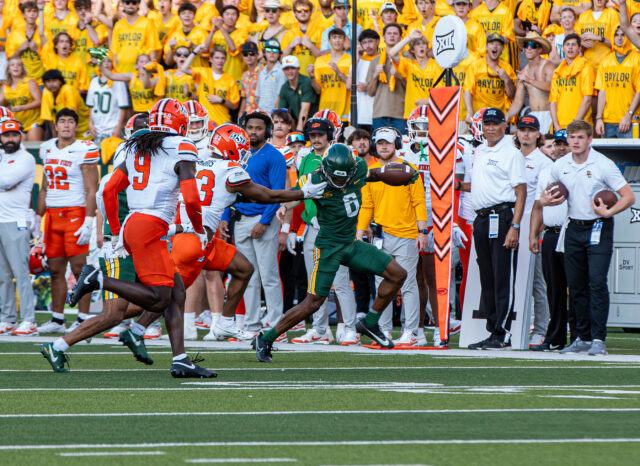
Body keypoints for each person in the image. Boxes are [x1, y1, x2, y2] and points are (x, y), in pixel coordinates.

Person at [65, 98, 214, 378]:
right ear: (178, 121)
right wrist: (196, 226)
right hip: (151, 225)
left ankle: (180, 359)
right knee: (160, 298)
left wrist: (114, 227)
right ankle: (97, 280)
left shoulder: (136, 146)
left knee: (177, 292)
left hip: (134, 223)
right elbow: (192, 198)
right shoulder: (181, 147)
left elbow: (109, 191)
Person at [255, 143, 413, 362]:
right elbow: (285, 196)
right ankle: (266, 338)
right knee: (313, 302)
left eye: (343, 177)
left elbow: (374, 174)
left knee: (398, 274)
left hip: (351, 243)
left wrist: (398, 173)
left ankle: (370, 322)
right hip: (328, 247)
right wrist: (295, 198)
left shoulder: (357, 167)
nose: (339, 181)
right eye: (335, 178)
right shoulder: (315, 179)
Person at [540, 120, 635, 356]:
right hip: (573, 227)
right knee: (576, 285)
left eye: (580, 137)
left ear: (589, 139)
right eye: (572, 137)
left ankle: (598, 338)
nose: (575, 142)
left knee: (596, 281)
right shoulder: (560, 165)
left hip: (599, 227)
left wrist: (609, 211)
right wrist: (547, 200)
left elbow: (628, 196)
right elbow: (545, 194)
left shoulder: (603, 164)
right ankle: (581, 337)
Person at [283, 115, 357, 345]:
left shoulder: (340, 155)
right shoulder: (305, 158)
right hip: (312, 226)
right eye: (312, 135)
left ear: (329, 135)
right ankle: (319, 329)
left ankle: (350, 329)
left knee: (341, 280)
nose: (315, 139)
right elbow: (300, 190)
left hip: (334, 226)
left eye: (320, 135)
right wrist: (285, 206)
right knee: (314, 281)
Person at [460, 108, 526, 350]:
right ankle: (492, 331)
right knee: (486, 276)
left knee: (502, 276)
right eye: (487, 123)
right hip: (482, 217)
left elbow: (521, 192)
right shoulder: (479, 150)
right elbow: (480, 185)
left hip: (502, 215)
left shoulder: (511, 153)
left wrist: (515, 226)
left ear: (504, 126)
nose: (490, 128)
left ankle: (503, 332)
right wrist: (455, 184)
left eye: (495, 124)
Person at [357, 127, 428, 346]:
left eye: (387, 143)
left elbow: (419, 202)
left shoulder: (410, 169)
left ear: (396, 144)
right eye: (379, 143)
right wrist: (359, 233)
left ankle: (412, 332)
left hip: (407, 234)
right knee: (382, 286)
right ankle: (384, 331)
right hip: (381, 236)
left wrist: (422, 231)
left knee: (408, 284)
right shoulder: (370, 172)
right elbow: (367, 205)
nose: (384, 146)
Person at [220, 110, 287, 336]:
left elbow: (277, 193)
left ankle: (277, 326)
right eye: (250, 128)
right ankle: (251, 324)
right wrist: (224, 217)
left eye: (259, 128)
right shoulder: (237, 154)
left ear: (267, 131)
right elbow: (228, 189)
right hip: (240, 218)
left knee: (269, 275)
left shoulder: (275, 156)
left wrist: (265, 222)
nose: (254, 132)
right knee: (246, 275)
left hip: (261, 218)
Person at [36, 108, 99, 335]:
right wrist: (37, 217)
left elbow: (92, 189)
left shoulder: (84, 149)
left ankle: (83, 318)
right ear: (55, 126)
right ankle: (57, 318)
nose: (66, 125)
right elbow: (44, 186)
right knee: (55, 269)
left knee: (79, 268)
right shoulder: (47, 148)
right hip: (52, 215)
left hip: (75, 213)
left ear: (76, 126)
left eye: (70, 122)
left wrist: (89, 220)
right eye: (62, 121)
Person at [529, 129, 570, 351]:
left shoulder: (577, 170)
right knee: (553, 289)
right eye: (557, 144)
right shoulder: (546, 171)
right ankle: (555, 337)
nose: (560, 148)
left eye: (564, 144)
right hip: (552, 233)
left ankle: (581, 336)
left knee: (576, 287)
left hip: (572, 231)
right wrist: (533, 234)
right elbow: (538, 206)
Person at [513, 115, 552, 349]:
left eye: (530, 130)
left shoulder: (545, 163)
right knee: (511, 279)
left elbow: (545, 201)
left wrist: (538, 229)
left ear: (538, 134)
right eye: (522, 129)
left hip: (533, 224)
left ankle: (540, 329)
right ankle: (514, 326)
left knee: (537, 281)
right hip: (512, 223)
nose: (526, 134)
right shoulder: (511, 157)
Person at [0, 119, 37, 336]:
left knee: (20, 273)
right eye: (6, 135)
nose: (11, 139)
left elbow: (6, 181)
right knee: (2, 275)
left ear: (20, 136)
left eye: (14, 134)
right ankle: (7, 318)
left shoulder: (26, 158)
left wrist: (5, 182)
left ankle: (29, 320)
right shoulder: (2, 158)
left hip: (16, 221)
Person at [594, 26, 640, 139]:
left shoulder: (637, 59)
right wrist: (599, 118)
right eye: (616, 35)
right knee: (607, 156)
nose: (619, 38)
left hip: (630, 120)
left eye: (623, 35)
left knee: (630, 157)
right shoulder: (606, 61)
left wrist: (628, 115)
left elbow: (639, 91)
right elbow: (602, 91)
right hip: (607, 121)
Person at [388, 29, 443, 120]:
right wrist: (409, 37)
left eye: (424, 43)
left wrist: (427, 101)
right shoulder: (409, 65)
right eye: (417, 44)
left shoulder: (436, 66)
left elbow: (440, 93)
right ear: (412, 50)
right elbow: (392, 53)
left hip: (431, 112)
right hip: (412, 113)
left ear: (427, 47)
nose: (421, 46)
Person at [506, 32, 555, 134]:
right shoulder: (523, 72)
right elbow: (518, 101)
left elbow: (551, 87)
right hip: (534, 117)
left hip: (551, 115)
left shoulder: (548, 65)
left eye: (532, 45)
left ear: (539, 49)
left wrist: (529, 80)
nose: (529, 48)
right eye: (526, 45)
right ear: (523, 49)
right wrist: (507, 116)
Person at [464, 34, 516, 124]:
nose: (495, 46)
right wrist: (470, 112)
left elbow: (512, 95)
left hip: (499, 117)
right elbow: (467, 90)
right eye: (491, 43)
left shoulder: (507, 68)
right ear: (486, 47)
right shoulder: (475, 66)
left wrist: (506, 80)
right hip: (479, 117)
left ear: (503, 49)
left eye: (498, 44)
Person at [182, 46, 240, 126]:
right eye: (217, 58)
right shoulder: (203, 73)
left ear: (226, 60)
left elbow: (234, 106)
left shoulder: (230, 80)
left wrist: (221, 100)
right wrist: (196, 50)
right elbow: (184, 68)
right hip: (204, 123)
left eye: (222, 58)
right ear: (211, 59)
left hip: (222, 122)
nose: (220, 61)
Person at [549, 34, 596, 132]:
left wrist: (575, 124)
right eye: (567, 44)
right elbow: (553, 101)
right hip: (560, 126)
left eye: (573, 45)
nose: (570, 47)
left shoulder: (586, 68)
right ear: (563, 48)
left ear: (579, 48)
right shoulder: (557, 71)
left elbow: (587, 99)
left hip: (580, 125)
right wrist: (556, 124)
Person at [366, 23, 407, 134]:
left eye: (395, 33)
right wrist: (375, 76)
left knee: (401, 149)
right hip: (380, 113)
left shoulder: (407, 59)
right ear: (383, 37)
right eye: (389, 33)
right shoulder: (375, 61)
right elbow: (370, 92)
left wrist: (399, 76)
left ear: (400, 37)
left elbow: (412, 87)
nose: (392, 36)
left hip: (401, 113)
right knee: (379, 149)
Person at [310, 28, 351, 122]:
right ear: (329, 41)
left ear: (344, 41)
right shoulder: (320, 61)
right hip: (325, 111)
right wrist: (312, 77)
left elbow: (351, 85)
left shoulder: (350, 60)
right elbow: (318, 90)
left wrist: (338, 72)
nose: (337, 40)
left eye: (340, 38)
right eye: (334, 37)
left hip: (344, 111)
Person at [110, 0, 161, 73]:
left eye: (134, 2)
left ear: (138, 4)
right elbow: (114, 52)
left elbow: (153, 49)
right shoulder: (118, 25)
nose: (130, 5)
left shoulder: (147, 23)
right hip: (120, 73)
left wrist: (150, 70)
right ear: (123, 4)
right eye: (127, 2)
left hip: (140, 74)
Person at [0, 57, 44, 141]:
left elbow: (39, 101)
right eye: (12, 65)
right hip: (18, 123)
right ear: (9, 69)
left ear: (22, 68)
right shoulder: (5, 86)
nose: (16, 67)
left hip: (34, 121)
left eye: (19, 65)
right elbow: (2, 104)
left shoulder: (30, 82)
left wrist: (23, 107)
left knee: (33, 146)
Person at [86, 62, 129, 143]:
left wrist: (119, 127)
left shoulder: (119, 82)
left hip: (112, 129)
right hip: (97, 128)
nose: (106, 63)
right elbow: (91, 105)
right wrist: (91, 124)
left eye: (109, 60)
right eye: (103, 60)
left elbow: (123, 107)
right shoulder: (94, 81)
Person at [5, 2, 46, 84]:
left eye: (34, 11)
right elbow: (10, 59)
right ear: (23, 15)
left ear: (38, 14)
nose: (32, 14)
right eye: (29, 11)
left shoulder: (45, 32)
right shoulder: (15, 33)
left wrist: (37, 50)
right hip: (21, 80)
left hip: (41, 80)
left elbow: (50, 56)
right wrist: (20, 50)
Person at [280, 0, 324, 77]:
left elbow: (324, 57)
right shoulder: (289, 33)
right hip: (295, 78)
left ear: (311, 12)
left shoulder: (320, 31)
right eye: (299, 11)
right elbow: (281, 59)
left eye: (306, 10)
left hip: (316, 76)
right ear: (294, 13)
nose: (303, 13)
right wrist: (291, 46)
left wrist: (310, 46)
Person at [469, 0, 517, 69]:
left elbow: (508, 38)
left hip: (501, 59)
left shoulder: (505, 11)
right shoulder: (475, 12)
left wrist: (492, 37)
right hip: (481, 60)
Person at [277, 55, 318, 130]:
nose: (289, 71)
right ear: (283, 70)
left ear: (298, 69)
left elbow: (304, 110)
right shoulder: (284, 87)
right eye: (286, 69)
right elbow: (281, 112)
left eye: (292, 68)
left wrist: (298, 132)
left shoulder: (306, 82)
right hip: (298, 124)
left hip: (314, 123)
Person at [163, 2, 209, 69]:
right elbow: (168, 62)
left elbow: (208, 56)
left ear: (194, 16)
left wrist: (193, 46)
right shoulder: (174, 35)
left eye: (190, 13)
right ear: (179, 17)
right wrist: (171, 49)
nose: (187, 15)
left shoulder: (202, 32)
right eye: (183, 13)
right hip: (182, 76)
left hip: (199, 74)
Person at [574, 0, 616, 72]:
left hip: (607, 65)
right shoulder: (584, 16)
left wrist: (599, 38)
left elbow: (618, 44)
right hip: (586, 67)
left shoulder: (613, 15)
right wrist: (580, 42)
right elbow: (575, 39)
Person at [355, 29, 380, 133]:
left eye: (370, 41)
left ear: (377, 41)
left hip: (377, 113)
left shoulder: (383, 59)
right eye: (364, 43)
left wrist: (368, 87)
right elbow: (348, 84)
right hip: (359, 114)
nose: (367, 46)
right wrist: (356, 57)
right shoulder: (358, 60)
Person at [256, 38, 286, 113]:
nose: (272, 52)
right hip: (261, 111)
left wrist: (275, 114)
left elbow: (280, 96)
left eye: (275, 50)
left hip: (273, 113)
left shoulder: (281, 71)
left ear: (279, 54)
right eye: (269, 50)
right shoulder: (262, 71)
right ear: (264, 53)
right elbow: (258, 95)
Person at [239, 41, 261, 117]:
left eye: (252, 53)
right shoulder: (244, 75)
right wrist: (240, 113)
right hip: (248, 114)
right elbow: (244, 98)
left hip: (262, 113)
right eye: (245, 54)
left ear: (257, 55)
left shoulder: (264, 72)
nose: (248, 56)